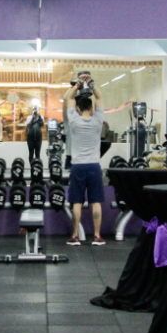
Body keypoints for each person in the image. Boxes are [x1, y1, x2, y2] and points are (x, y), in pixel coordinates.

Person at [63, 73, 105, 246]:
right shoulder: (98, 120)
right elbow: (100, 96)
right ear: (92, 109)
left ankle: (75, 236)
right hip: (94, 166)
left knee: (77, 202)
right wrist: (91, 84)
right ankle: (96, 236)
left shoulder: (73, 120)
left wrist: (78, 84)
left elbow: (69, 98)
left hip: (78, 167)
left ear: (78, 109)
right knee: (95, 202)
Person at [25, 99, 45, 164]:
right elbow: (29, 125)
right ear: (32, 111)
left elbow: (41, 124)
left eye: (36, 110)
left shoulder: (41, 117)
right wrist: (33, 118)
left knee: (37, 153)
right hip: (30, 138)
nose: (35, 111)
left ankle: (37, 166)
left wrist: (38, 116)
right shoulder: (29, 118)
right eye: (34, 110)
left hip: (38, 138)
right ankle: (31, 166)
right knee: (31, 153)